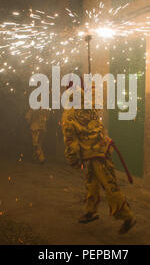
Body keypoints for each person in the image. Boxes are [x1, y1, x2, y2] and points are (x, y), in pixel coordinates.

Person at [61, 83, 136, 235]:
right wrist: (92, 88)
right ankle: (90, 211)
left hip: (97, 154)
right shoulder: (90, 105)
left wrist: (72, 159)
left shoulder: (68, 115)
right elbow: (97, 101)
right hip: (99, 150)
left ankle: (127, 217)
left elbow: (71, 142)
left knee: (109, 184)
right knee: (91, 181)